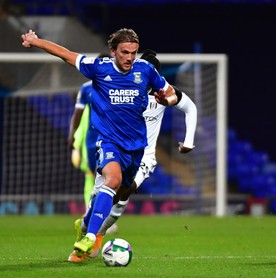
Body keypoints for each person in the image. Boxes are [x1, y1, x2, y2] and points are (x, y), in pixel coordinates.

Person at [21, 28, 178, 259]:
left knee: (118, 193)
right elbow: (65, 54)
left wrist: (168, 99)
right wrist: (36, 41)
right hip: (109, 142)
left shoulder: (145, 70)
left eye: (134, 53)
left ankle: (85, 224)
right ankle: (90, 238)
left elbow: (170, 93)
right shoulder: (99, 68)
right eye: (125, 52)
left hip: (136, 147)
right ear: (113, 51)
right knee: (111, 180)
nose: (130, 58)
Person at [67, 49, 197, 262]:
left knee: (122, 192)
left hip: (145, 155)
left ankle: (93, 236)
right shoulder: (120, 88)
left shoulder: (163, 93)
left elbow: (190, 107)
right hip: (117, 147)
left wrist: (189, 141)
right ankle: (86, 226)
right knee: (104, 192)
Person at [68, 53, 111, 209]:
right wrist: (72, 134)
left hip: (111, 139)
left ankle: (102, 215)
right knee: (94, 177)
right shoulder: (86, 89)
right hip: (91, 141)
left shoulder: (118, 85)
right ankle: (92, 212)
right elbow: (77, 114)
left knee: (109, 178)